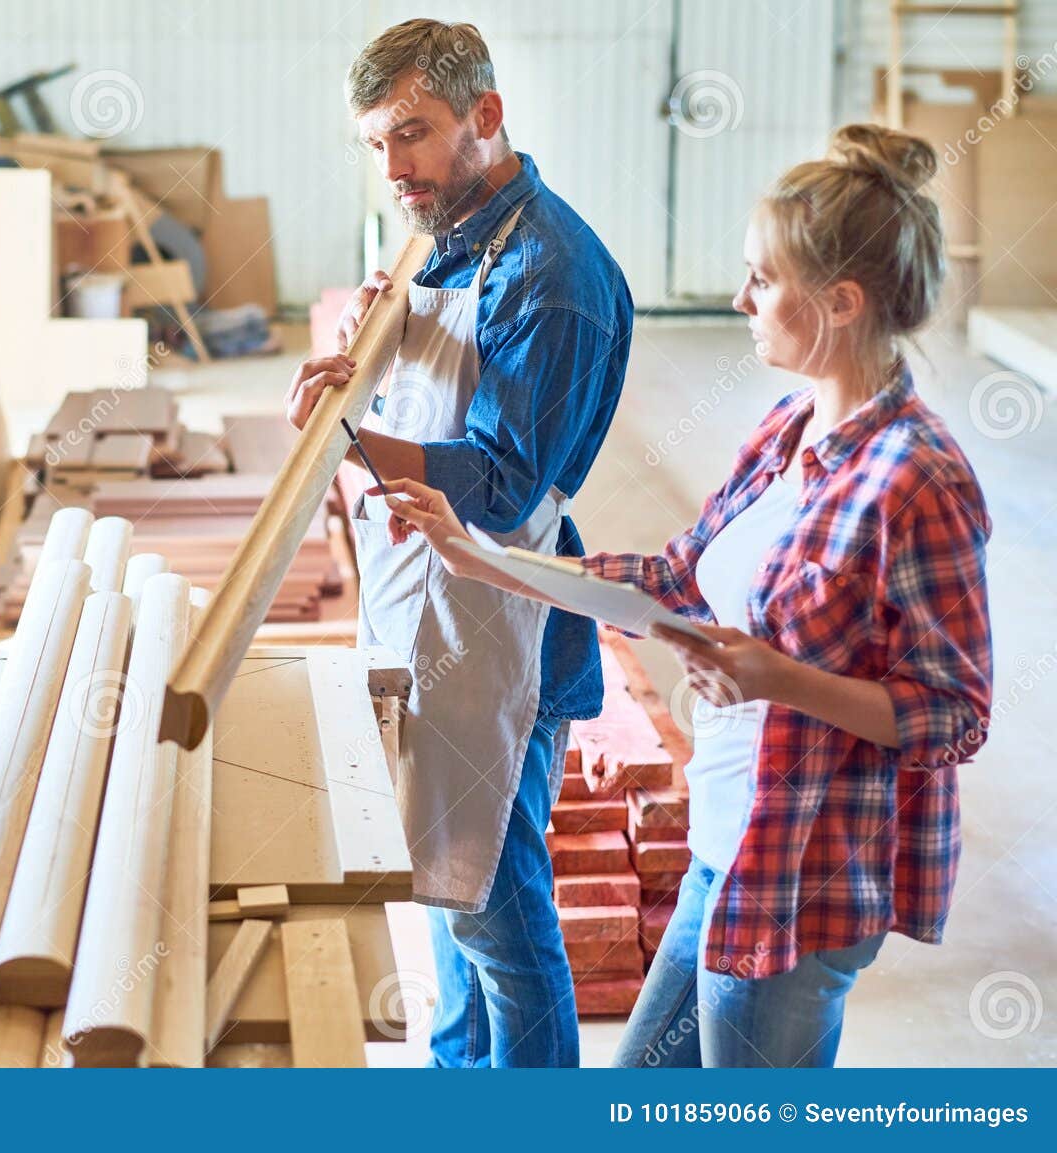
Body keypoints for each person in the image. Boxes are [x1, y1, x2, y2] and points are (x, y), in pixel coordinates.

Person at [368, 124, 993, 1067]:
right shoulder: (786, 430)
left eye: (762, 280)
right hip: (724, 843)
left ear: (841, 302)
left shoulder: (919, 479)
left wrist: (778, 680)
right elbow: (673, 583)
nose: (739, 299)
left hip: (803, 877)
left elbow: (954, 715)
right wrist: (478, 556)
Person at [285, 19, 633, 1067]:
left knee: (497, 916)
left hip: (497, 630)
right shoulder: (447, 227)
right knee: (443, 888)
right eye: (376, 145)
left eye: (413, 134)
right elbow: (427, 374)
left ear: (486, 115)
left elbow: (501, 482)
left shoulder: (550, 275)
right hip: (426, 610)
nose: (394, 168)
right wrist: (362, 354)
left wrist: (347, 437)